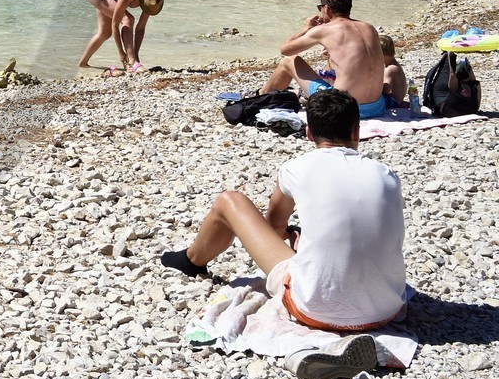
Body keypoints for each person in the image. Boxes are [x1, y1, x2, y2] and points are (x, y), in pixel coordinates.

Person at [160, 89, 407, 337]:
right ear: (356, 131)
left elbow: (275, 228)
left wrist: (291, 240)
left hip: (314, 310)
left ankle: (192, 260)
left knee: (229, 201)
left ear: (309, 133)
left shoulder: (295, 168)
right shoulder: (387, 174)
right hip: (387, 309)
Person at [261, 0, 396, 118]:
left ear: (326, 9)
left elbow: (285, 50)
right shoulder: (369, 28)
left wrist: (306, 28)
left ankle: (261, 97)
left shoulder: (325, 30)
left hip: (345, 108)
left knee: (289, 61)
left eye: (320, 8)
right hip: (377, 107)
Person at [78, 0, 165, 73]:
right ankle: (132, 62)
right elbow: (115, 24)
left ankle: (82, 64)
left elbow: (140, 28)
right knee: (127, 19)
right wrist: (121, 53)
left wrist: (136, 54)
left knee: (104, 33)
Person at [379, 35, 407, 104]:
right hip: (398, 100)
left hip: (394, 101)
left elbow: (386, 90)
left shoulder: (390, 69)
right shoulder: (395, 64)